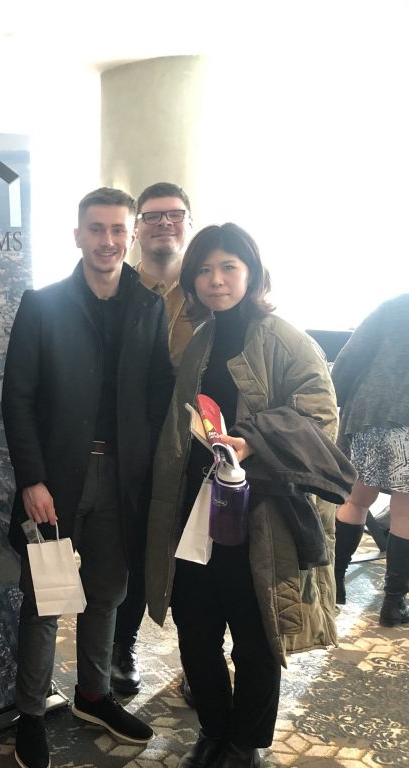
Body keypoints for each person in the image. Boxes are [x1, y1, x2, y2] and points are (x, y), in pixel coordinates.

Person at [146, 223, 351, 768]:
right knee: (196, 627)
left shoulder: (286, 339)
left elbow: (322, 416)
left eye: (228, 267)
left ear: (251, 273)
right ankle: (214, 729)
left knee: (257, 633)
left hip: (262, 515)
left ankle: (246, 742)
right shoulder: (200, 339)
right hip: (197, 511)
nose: (216, 280)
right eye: (204, 270)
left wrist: (253, 440)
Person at [3, 187, 174, 768]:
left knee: (107, 593)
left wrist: (149, 467)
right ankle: (30, 713)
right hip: (56, 480)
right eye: (96, 229)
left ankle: (93, 695)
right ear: (78, 235)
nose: (108, 240)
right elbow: (18, 398)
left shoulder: (148, 306)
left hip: (122, 476)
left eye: (118, 230)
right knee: (45, 601)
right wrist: (32, 479)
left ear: (132, 235)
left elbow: (158, 393)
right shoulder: (43, 304)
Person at [112, 181, 196, 697]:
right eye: (153, 216)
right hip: (135, 446)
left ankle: (199, 661)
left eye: (175, 214)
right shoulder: (117, 289)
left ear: (189, 222)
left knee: (194, 555)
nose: (165, 223)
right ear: (137, 228)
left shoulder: (208, 288)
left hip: (195, 448)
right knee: (133, 550)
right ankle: (122, 646)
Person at [330, 293, 409, 625]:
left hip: (369, 413)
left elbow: (350, 356)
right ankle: (393, 603)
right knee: (406, 510)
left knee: (357, 499)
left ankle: (334, 583)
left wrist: (335, 394)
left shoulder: (394, 305)